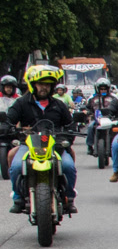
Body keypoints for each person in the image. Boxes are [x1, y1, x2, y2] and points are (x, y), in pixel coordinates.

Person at [7, 65, 78, 214]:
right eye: (41, 84)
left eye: (47, 84)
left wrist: (67, 136)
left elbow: (70, 124)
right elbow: (9, 120)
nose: (44, 87)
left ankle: (69, 198)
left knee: (68, 166)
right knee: (16, 167)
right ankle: (18, 198)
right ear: (33, 85)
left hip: (54, 146)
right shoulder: (21, 103)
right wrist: (7, 127)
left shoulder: (59, 105)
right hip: (28, 145)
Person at [84, 79, 116, 156]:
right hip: (97, 120)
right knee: (90, 127)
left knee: (117, 129)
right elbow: (88, 108)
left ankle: (117, 146)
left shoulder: (113, 98)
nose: (103, 90)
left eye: (105, 88)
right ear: (98, 89)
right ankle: (90, 146)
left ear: (108, 89)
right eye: (101, 89)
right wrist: (87, 112)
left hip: (110, 120)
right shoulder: (92, 98)